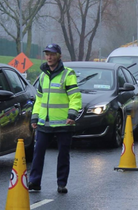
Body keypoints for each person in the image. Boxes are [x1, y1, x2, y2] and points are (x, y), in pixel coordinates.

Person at [28, 43, 82, 194]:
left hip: (64, 123)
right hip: (44, 122)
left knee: (63, 154)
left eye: (52, 54)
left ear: (59, 56)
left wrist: (72, 114)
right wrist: (34, 117)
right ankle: (34, 182)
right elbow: (39, 99)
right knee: (38, 152)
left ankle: (61, 183)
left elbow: (75, 97)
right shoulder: (43, 76)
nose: (49, 57)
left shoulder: (68, 74)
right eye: (47, 54)